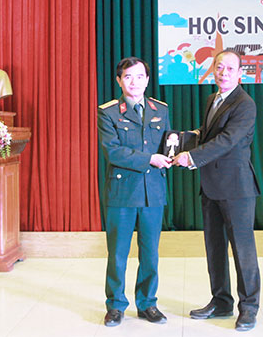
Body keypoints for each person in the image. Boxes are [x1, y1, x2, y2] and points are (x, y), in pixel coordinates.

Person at [172, 48, 261, 332]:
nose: (223, 73)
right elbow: (208, 133)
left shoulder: (245, 104)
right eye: (219, 67)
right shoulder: (212, 99)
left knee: (243, 251)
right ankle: (221, 302)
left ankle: (249, 308)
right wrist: (186, 139)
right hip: (210, 187)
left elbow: (227, 140)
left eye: (230, 69)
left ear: (240, 73)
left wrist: (191, 157)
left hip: (237, 189)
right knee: (215, 248)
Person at [97, 57, 172, 327]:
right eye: (128, 77)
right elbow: (113, 152)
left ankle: (147, 303)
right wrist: (150, 159)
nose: (134, 82)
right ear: (119, 80)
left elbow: (167, 143)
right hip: (122, 191)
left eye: (140, 76)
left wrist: (175, 153)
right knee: (118, 253)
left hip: (153, 191)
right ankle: (116, 305)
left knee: (150, 252)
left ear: (147, 80)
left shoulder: (160, 109)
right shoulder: (108, 113)